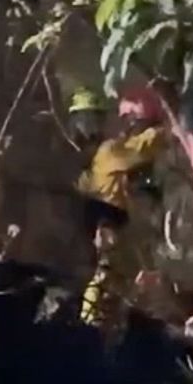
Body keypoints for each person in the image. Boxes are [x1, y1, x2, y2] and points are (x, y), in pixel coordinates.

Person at [75, 85, 168, 335]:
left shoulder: (99, 156)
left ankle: (101, 328)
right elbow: (143, 147)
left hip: (109, 224)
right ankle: (91, 325)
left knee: (115, 282)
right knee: (106, 276)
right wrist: (172, 126)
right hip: (107, 223)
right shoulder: (112, 151)